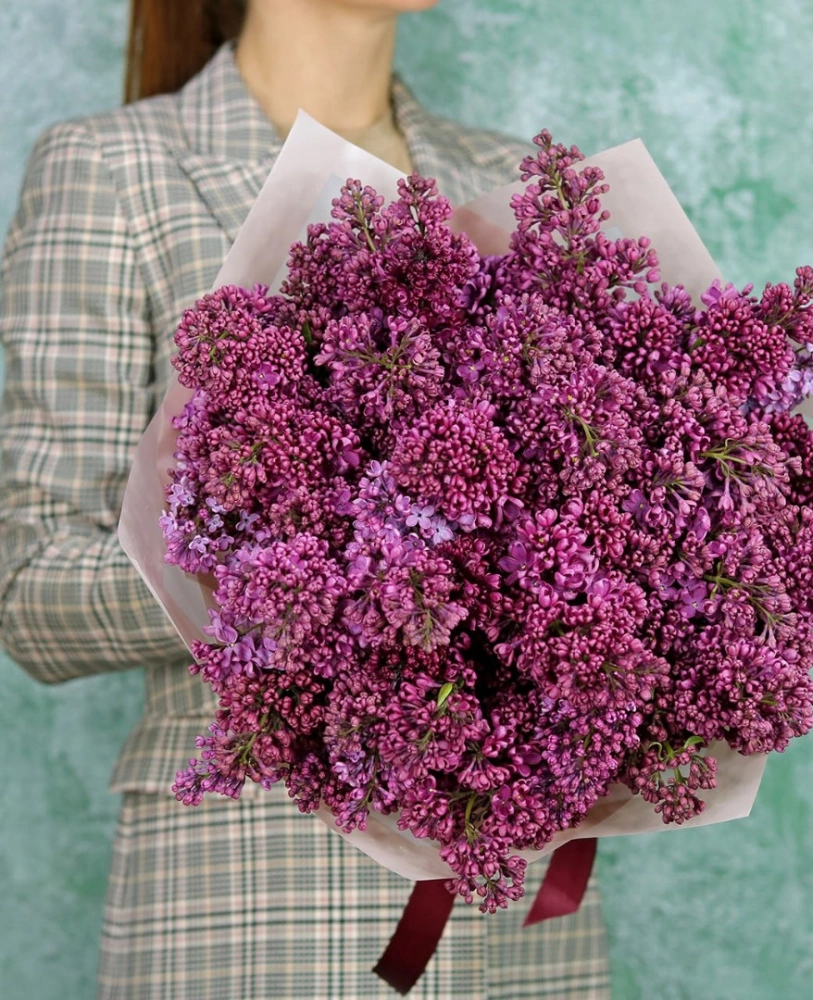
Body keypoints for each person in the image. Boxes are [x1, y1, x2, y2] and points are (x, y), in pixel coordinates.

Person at [0, 1, 612, 996]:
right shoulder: (114, 169)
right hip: (253, 897)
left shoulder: (518, 181)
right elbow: (31, 588)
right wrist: (287, 573)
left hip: (510, 899)